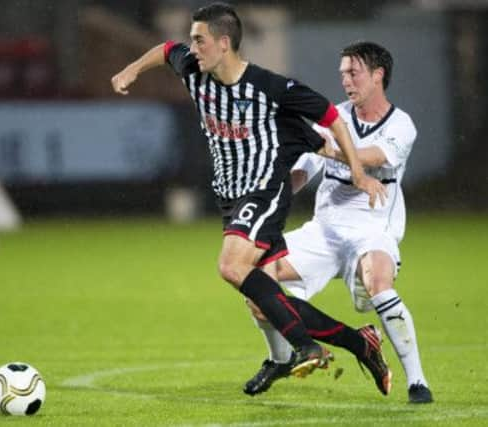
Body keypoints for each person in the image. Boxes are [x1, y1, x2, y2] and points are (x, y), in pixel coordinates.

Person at [112, 2, 391, 391]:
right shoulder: (193, 69)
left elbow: (331, 118)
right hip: (231, 201)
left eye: (199, 40)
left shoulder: (272, 89)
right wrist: (130, 71)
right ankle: (360, 343)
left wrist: (359, 173)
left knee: (230, 266)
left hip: (263, 193)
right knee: (262, 301)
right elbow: (164, 50)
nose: (191, 48)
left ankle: (304, 348)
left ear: (224, 43)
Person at [243, 41, 433, 404]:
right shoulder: (331, 119)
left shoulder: (401, 124)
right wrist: (272, 192)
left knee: (377, 281)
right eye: (342, 72)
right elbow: (301, 173)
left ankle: (418, 382)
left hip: (373, 228)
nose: (346, 79)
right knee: (255, 282)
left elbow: (374, 155)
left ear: (378, 75)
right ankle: (280, 358)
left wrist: (323, 145)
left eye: (354, 72)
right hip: (325, 229)